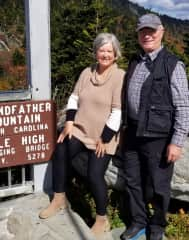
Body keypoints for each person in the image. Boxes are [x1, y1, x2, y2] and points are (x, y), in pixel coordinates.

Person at [39, 33, 125, 237]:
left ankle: (102, 219)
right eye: (101, 50)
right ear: (96, 52)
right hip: (80, 128)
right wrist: (69, 122)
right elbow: (74, 97)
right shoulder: (87, 72)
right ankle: (59, 199)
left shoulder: (119, 76)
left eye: (109, 51)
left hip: (103, 136)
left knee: (94, 174)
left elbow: (117, 111)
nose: (105, 54)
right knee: (60, 150)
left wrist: (104, 139)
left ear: (115, 54)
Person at [120, 13, 189, 240]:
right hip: (132, 132)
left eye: (151, 30)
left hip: (159, 136)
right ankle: (138, 221)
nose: (147, 35)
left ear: (161, 32)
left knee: (159, 186)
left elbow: (183, 106)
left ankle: (157, 228)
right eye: (142, 31)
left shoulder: (173, 65)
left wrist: (177, 142)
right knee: (132, 180)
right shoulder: (134, 61)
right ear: (138, 35)